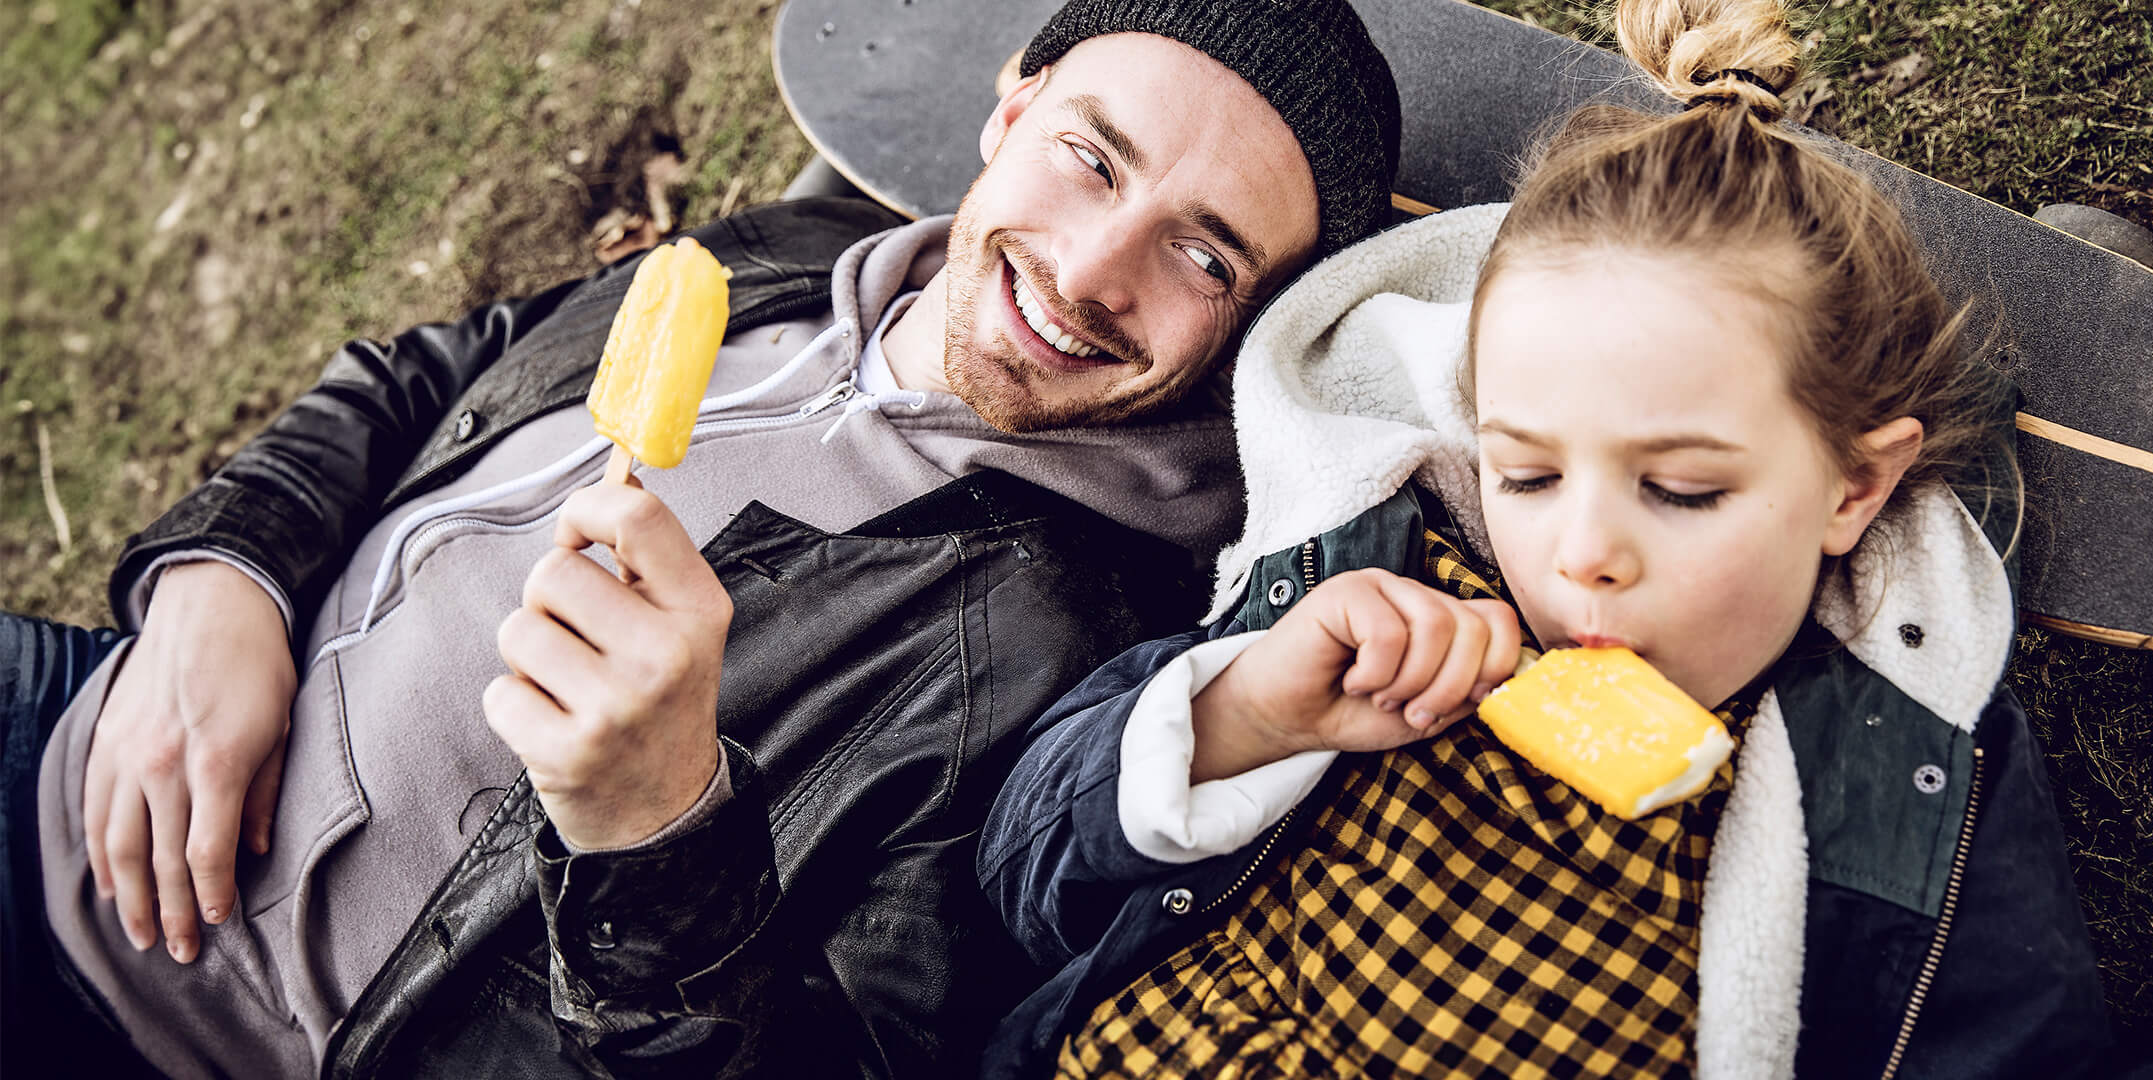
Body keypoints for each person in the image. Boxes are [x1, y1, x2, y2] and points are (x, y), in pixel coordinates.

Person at [0, 1, 1403, 1075]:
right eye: (1090, 159)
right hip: (87, 726)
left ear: (1256, 330)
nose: (1093, 273)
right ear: (1012, 108)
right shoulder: (801, 248)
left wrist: (655, 828)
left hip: (186, 1025)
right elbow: (424, 375)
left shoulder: (1068, 650)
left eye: (1204, 255)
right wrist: (221, 579)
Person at [972, 0, 2153, 1076]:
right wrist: (1243, 713)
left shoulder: (1890, 776)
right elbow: (1019, 879)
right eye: (1526, 473)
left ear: (1852, 488)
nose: (1582, 554)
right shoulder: (1367, 593)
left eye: (1680, 490)